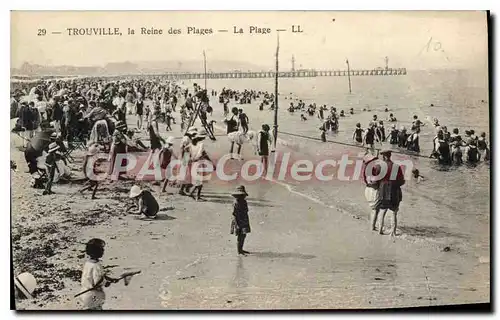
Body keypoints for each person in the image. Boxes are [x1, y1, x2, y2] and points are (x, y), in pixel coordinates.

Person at [79, 238, 118, 310]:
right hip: (93, 296)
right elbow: (98, 281)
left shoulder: (88, 263)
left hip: (85, 293)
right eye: (101, 249)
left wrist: (109, 279)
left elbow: (94, 276)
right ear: (97, 252)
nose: (103, 251)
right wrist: (106, 283)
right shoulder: (96, 266)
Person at [374, 149, 405, 236]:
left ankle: (380, 229)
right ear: (390, 156)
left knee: (382, 211)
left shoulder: (379, 166)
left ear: (383, 156)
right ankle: (393, 232)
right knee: (394, 212)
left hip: (383, 191)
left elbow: (376, 180)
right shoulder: (396, 166)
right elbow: (401, 181)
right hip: (394, 191)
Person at [188, 131, 214, 201]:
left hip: (193, 163)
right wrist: (211, 163)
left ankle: (192, 193)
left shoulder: (191, 144)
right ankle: (196, 196)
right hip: (199, 163)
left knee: (197, 181)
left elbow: (186, 150)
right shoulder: (201, 144)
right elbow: (203, 154)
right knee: (200, 181)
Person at [362, 153, 381, 231]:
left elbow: (366, 180)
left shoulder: (366, 169)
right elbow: (375, 181)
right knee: (376, 209)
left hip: (368, 189)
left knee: (374, 209)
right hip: (373, 190)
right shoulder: (372, 169)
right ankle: (372, 226)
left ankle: (372, 225)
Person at [230, 185, 251, 255]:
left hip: (244, 220)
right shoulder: (236, 203)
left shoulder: (244, 202)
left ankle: (241, 249)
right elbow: (234, 215)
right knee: (240, 236)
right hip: (238, 221)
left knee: (243, 235)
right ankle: (239, 251)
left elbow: (246, 211)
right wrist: (237, 224)